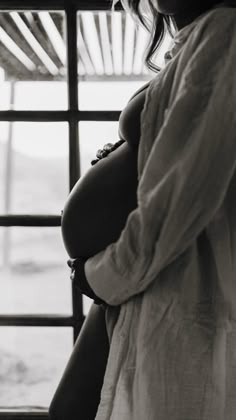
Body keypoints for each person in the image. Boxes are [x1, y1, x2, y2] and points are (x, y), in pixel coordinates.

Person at [50, 1, 236, 419]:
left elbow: (179, 202)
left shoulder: (226, 31)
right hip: (139, 279)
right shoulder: (193, 40)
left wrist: (98, 277)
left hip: (158, 275)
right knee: (71, 410)